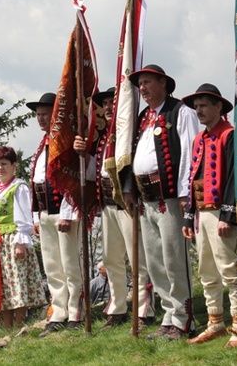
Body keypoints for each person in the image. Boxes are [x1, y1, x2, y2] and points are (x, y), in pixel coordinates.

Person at [126, 65, 199, 341]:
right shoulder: (144, 118)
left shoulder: (181, 112)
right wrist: (130, 189)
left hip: (170, 198)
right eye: (140, 84)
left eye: (147, 82)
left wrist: (184, 194)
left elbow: (189, 154)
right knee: (156, 262)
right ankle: (169, 315)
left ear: (163, 83)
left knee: (174, 259)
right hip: (146, 200)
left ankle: (184, 318)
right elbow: (134, 155)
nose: (142, 88)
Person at [74, 87, 155, 330]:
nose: (108, 107)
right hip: (107, 206)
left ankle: (144, 311)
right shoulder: (101, 140)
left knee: (137, 259)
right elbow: (93, 173)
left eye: (113, 102)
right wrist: (82, 154)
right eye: (106, 104)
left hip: (130, 205)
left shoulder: (134, 135)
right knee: (111, 259)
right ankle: (117, 308)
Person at [181, 84, 237, 348]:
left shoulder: (229, 135)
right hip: (202, 212)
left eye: (205, 105)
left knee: (229, 268)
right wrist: (188, 216)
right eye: (196, 107)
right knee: (206, 269)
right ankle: (215, 323)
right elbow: (193, 177)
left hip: (221, 212)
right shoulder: (200, 139)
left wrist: (228, 215)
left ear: (219, 107)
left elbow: (234, 178)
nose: (199, 111)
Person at [27, 93, 83, 337]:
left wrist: (67, 212)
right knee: (52, 266)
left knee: (70, 263)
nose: (40, 118)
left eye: (45, 114)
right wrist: (36, 217)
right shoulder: (42, 145)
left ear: (56, 115)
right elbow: (37, 182)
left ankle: (75, 311)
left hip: (63, 212)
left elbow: (72, 179)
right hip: (45, 213)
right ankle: (58, 311)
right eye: (38, 114)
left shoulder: (65, 142)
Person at [0, 146, 47, 329]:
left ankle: (20, 324)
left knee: (16, 283)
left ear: (13, 165)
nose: (0, 168)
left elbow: (25, 217)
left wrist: (21, 243)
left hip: (13, 240)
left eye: (4, 164)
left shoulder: (19, 186)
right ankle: (7, 327)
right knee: (3, 286)